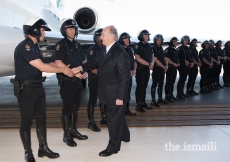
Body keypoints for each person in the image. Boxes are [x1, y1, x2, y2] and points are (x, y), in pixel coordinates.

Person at [13, 17, 75, 161]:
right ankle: (28, 152)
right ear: (34, 30)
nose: (44, 34)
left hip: (38, 87)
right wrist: (63, 70)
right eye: (42, 30)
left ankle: (43, 148)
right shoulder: (25, 46)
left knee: (41, 119)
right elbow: (41, 66)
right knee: (26, 121)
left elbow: (41, 63)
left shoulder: (35, 46)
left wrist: (57, 65)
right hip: (27, 89)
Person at [74, 26, 130, 157]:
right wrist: (81, 68)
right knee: (118, 117)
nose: (101, 37)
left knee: (112, 120)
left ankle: (113, 147)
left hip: (116, 94)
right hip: (106, 91)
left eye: (103, 34)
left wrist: (120, 97)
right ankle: (125, 136)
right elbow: (94, 62)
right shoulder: (106, 49)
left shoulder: (120, 53)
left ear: (111, 36)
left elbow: (124, 77)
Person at [54, 18, 88, 147]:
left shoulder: (78, 45)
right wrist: (74, 73)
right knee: (67, 108)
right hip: (67, 81)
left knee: (75, 107)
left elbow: (82, 62)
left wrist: (84, 71)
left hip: (78, 82)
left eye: (74, 28)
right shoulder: (60, 45)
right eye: (69, 29)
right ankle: (66, 135)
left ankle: (73, 131)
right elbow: (58, 62)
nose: (72, 31)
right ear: (64, 30)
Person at [86, 28, 106, 132]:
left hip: (104, 79)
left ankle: (103, 117)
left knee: (103, 98)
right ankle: (90, 121)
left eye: (102, 36)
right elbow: (90, 67)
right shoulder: (92, 50)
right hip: (95, 78)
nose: (101, 38)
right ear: (95, 38)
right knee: (92, 100)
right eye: (99, 36)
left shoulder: (106, 49)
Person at [134, 29, 154, 112]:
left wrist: (152, 63)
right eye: (145, 35)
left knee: (145, 87)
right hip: (140, 70)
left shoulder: (149, 46)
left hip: (147, 70)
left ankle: (143, 102)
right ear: (141, 37)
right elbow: (138, 58)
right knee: (139, 87)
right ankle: (138, 104)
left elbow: (153, 55)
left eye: (147, 35)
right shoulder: (138, 46)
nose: (147, 37)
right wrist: (148, 64)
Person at [118, 32, 136, 116]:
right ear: (121, 40)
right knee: (122, 93)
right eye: (125, 39)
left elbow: (134, 61)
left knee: (128, 93)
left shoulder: (129, 50)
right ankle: (121, 111)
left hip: (130, 75)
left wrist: (134, 70)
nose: (127, 40)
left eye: (128, 38)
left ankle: (127, 109)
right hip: (122, 76)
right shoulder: (119, 50)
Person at [151, 34, 168, 107]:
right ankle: (153, 100)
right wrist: (163, 66)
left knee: (161, 84)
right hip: (156, 69)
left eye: (160, 40)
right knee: (154, 84)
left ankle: (160, 98)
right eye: (158, 40)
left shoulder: (161, 48)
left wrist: (166, 65)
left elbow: (164, 58)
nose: (159, 41)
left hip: (162, 69)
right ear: (155, 40)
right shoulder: (153, 48)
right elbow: (155, 59)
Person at [176, 35, 194, 100]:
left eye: (187, 40)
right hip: (182, 66)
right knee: (181, 79)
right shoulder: (179, 48)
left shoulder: (188, 48)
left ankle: (182, 92)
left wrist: (192, 62)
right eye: (185, 40)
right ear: (182, 41)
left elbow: (190, 56)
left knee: (184, 79)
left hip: (187, 66)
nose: (186, 41)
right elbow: (177, 57)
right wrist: (184, 61)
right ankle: (178, 93)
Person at [164, 37, 180, 102]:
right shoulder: (168, 50)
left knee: (172, 82)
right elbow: (166, 58)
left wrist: (178, 63)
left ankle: (171, 94)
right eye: (175, 41)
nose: (176, 43)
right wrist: (173, 63)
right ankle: (167, 96)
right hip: (170, 68)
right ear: (171, 42)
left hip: (174, 68)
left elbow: (177, 58)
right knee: (169, 82)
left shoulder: (175, 50)